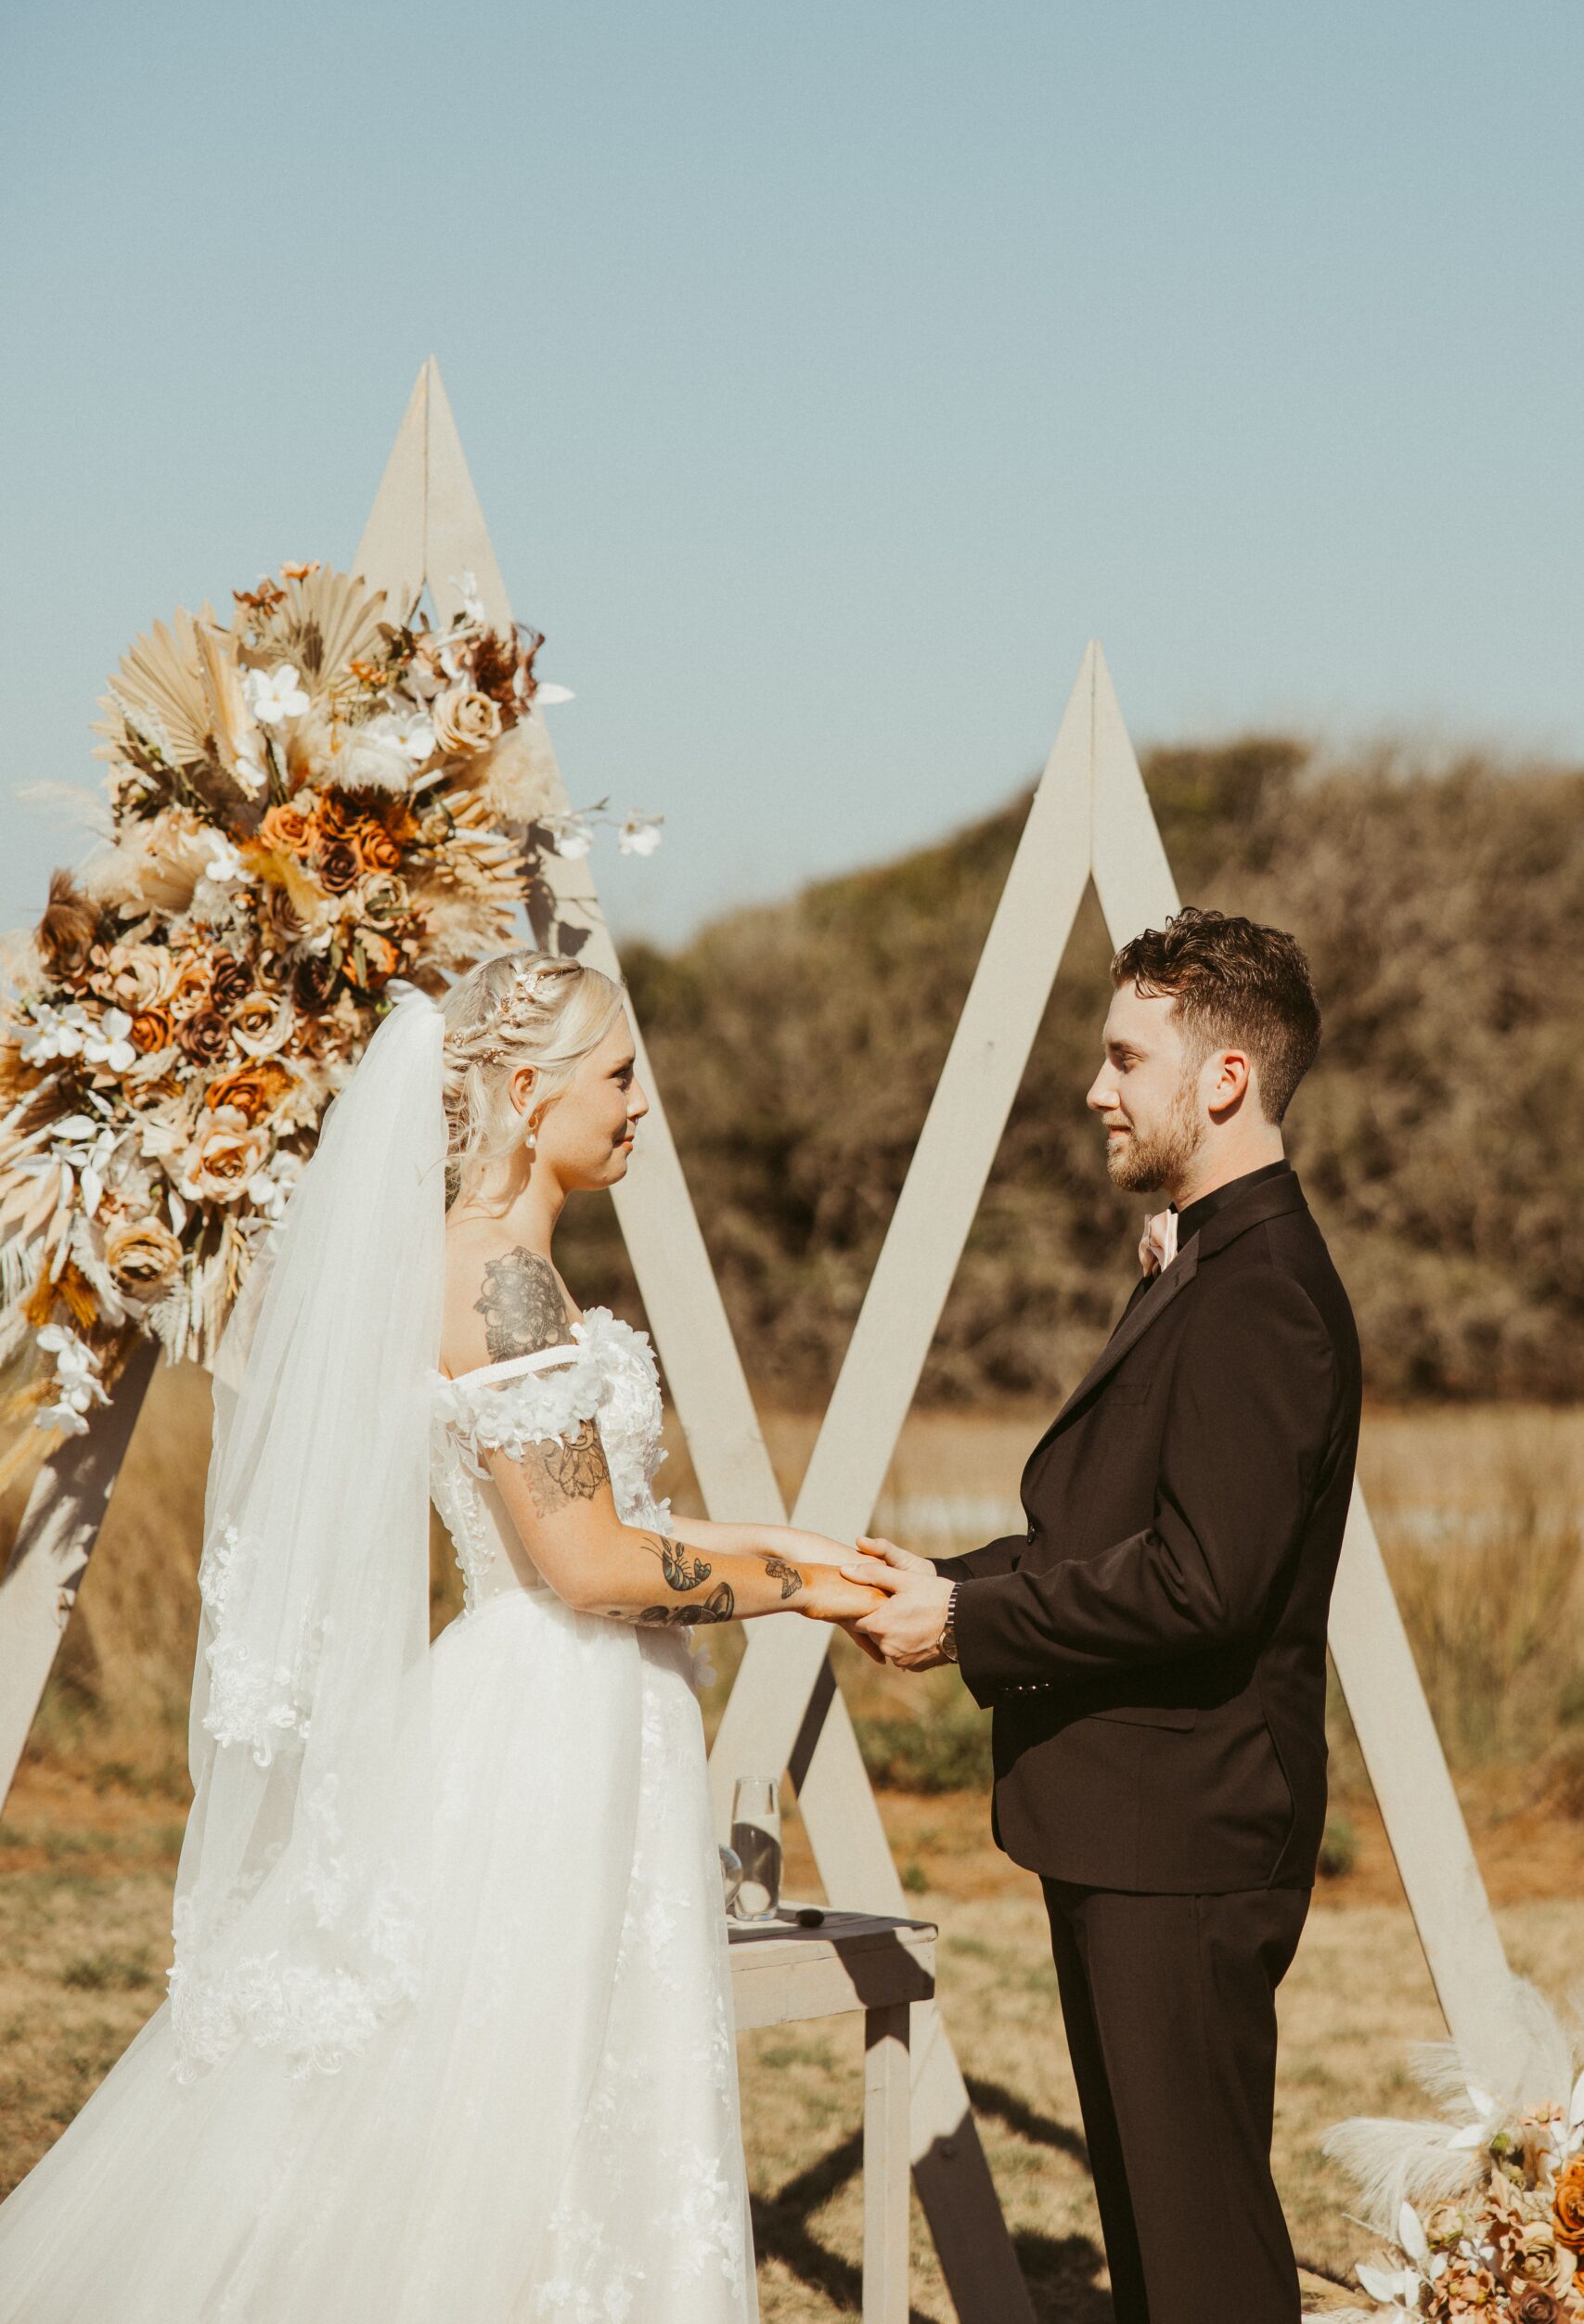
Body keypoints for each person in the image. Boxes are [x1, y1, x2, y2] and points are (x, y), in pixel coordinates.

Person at [0, 948, 884, 2323]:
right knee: (529, 2086)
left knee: (523, 2077)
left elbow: (605, 1511)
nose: (642, 1105)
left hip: (552, 1685)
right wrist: (796, 1593)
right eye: (617, 1078)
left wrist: (802, 1547)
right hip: (560, 1715)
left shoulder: (485, 1266)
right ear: (528, 1094)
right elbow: (587, 1565)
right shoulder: (506, 1287)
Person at [850, 906, 1362, 2324]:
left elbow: (1203, 1584)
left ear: (1224, 1079)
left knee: (1202, 2261)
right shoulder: (1206, 1260)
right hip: (1144, 1824)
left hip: (1191, 1834)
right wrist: (946, 1585)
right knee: (1157, 2243)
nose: (1095, 1086)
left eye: (1126, 1056)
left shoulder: (1263, 1296)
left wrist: (967, 1626)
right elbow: (1112, 1535)